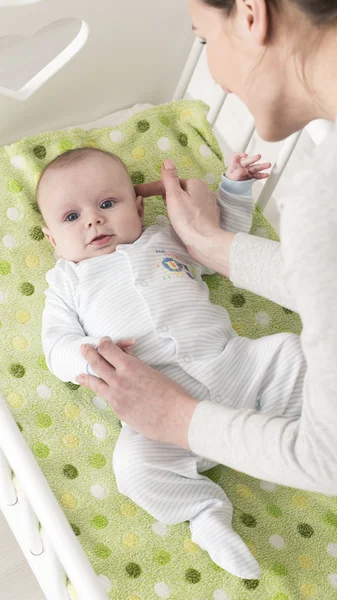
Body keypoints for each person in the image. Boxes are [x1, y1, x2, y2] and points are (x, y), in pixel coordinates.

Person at [78, 0, 337, 499]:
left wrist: (176, 418)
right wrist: (211, 244)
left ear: (252, 14)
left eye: (203, 39)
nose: (217, 76)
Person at [39, 147, 303, 578]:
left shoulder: (165, 235)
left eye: (107, 204)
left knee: (292, 353)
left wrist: (234, 188)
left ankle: (306, 447)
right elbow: (55, 347)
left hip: (237, 367)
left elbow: (222, 242)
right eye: (72, 217)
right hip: (157, 416)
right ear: (52, 240)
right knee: (133, 470)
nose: (93, 220)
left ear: (139, 207)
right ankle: (204, 513)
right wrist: (94, 353)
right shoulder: (66, 282)